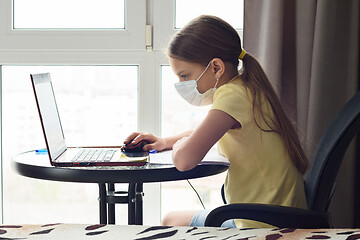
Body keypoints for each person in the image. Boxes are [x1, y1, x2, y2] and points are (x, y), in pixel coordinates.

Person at [124, 15, 310, 228]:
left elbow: (184, 161)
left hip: (261, 224)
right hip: (273, 215)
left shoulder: (233, 96)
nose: (181, 84)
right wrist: (166, 141)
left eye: (184, 76)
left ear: (216, 68)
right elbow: (205, 132)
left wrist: (178, 146)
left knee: (169, 220)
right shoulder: (245, 87)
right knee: (171, 219)